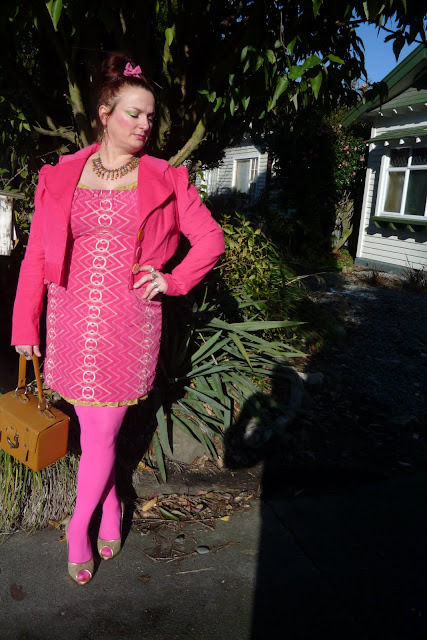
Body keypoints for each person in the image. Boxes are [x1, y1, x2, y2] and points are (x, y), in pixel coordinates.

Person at [11, 52, 225, 585]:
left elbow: (210, 240)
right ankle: (110, 505)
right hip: (69, 317)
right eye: (134, 113)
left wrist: (172, 280)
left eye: (151, 116)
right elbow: (37, 254)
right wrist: (25, 325)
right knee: (93, 433)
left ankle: (77, 528)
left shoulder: (166, 177)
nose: (145, 124)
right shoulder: (61, 175)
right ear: (104, 114)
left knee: (102, 432)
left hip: (127, 324)